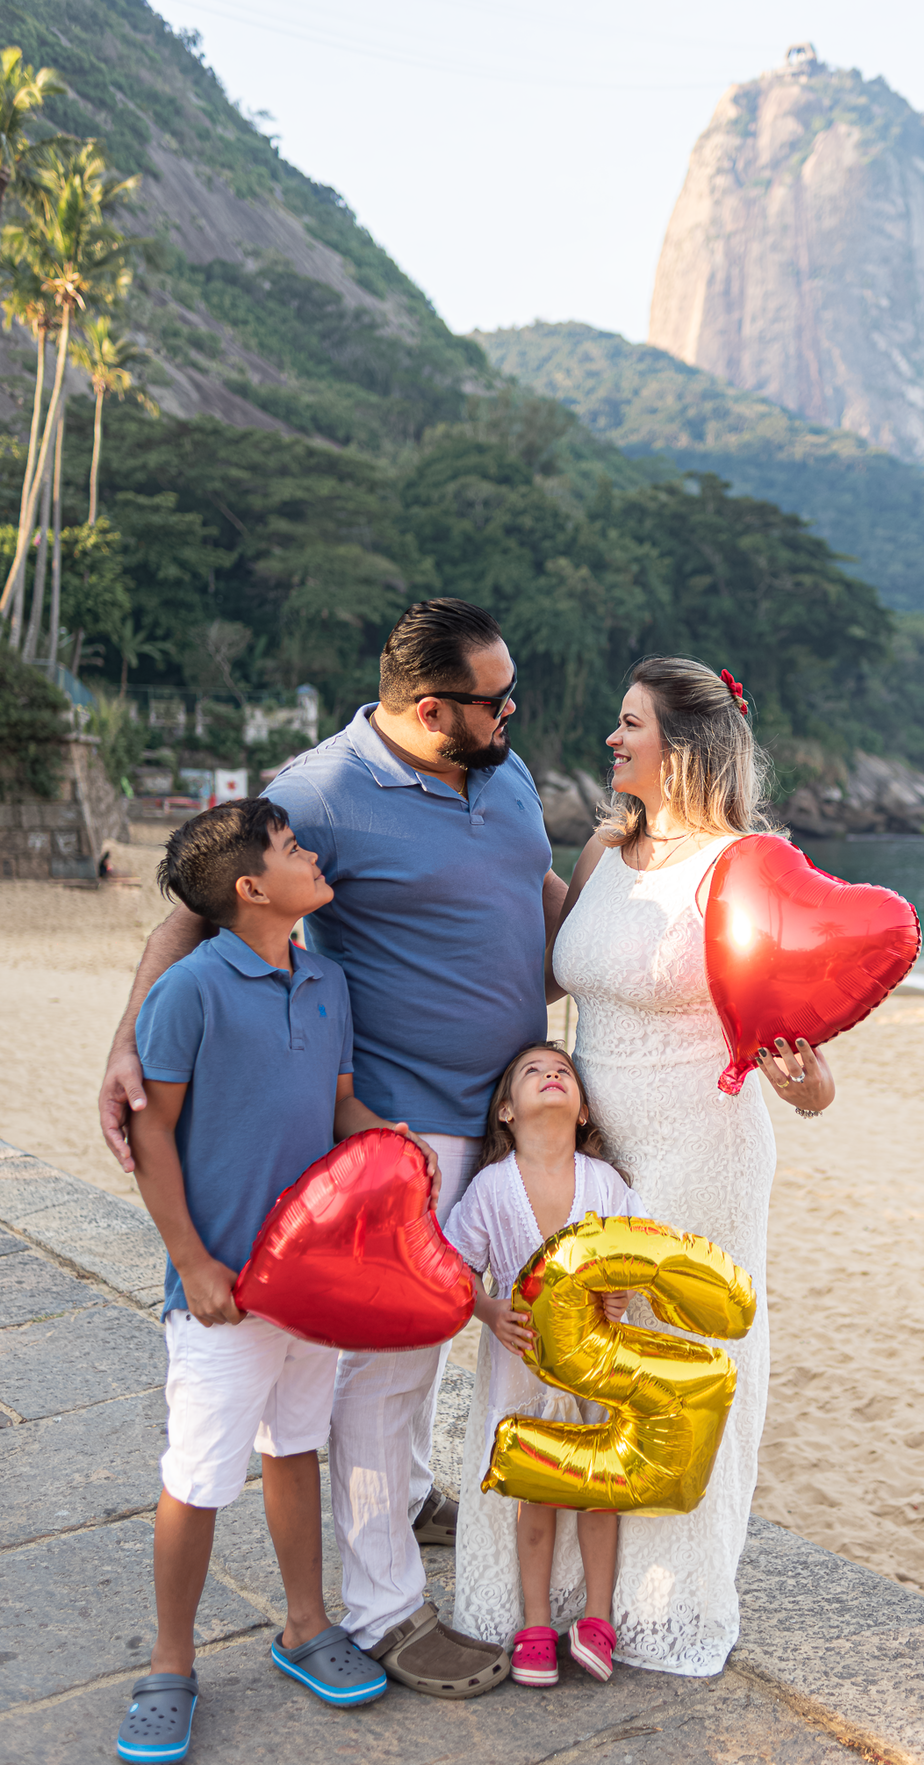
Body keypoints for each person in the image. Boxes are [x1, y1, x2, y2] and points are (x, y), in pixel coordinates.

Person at [99, 599, 565, 1697]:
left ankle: (399, 1500)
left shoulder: (504, 770)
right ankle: (388, 1610)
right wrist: (128, 1036)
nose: (515, 713)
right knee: (388, 1371)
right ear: (429, 707)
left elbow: (533, 898)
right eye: (498, 700)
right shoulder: (321, 793)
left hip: (503, 1108)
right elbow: (197, 900)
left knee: (427, 1355)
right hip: (401, 1124)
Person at [115, 798, 441, 1765]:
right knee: (199, 1476)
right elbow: (151, 1132)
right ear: (253, 888)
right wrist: (191, 1262)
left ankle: (304, 1625)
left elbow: (339, 1109)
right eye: (295, 847)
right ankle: (169, 1666)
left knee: (294, 1446)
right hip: (224, 1291)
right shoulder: (192, 990)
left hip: (312, 1284)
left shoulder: (328, 981)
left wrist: (390, 1142)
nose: (312, 853)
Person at [543, 657, 836, 1678]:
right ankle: (577, 1599)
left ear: (686, 745)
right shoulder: (601, 850)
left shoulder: (748, 867)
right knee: (577, 1359)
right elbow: (546, 970)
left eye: (630, 725)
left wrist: (803, 1084)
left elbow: (810, 1068)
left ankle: (666, 1604)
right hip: (584, 1143)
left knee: (674, 1366)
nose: (612, 739)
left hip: (699, 1145)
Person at [444, 1041, 644, 1687]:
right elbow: (456, 1269)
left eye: (562, 1071)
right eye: (533, 1072)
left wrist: (618, 1292)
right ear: (506, 1111)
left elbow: (628, 1263)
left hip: (596, 1373)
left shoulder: (606, 1185)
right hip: (524, 1375)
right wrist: (489, 1311)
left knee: (599, 1497)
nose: (551, 1074)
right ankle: (535, 1622)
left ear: (584, 1111)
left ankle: (597, 1617)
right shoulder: (491, 1189)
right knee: (536, 1500)